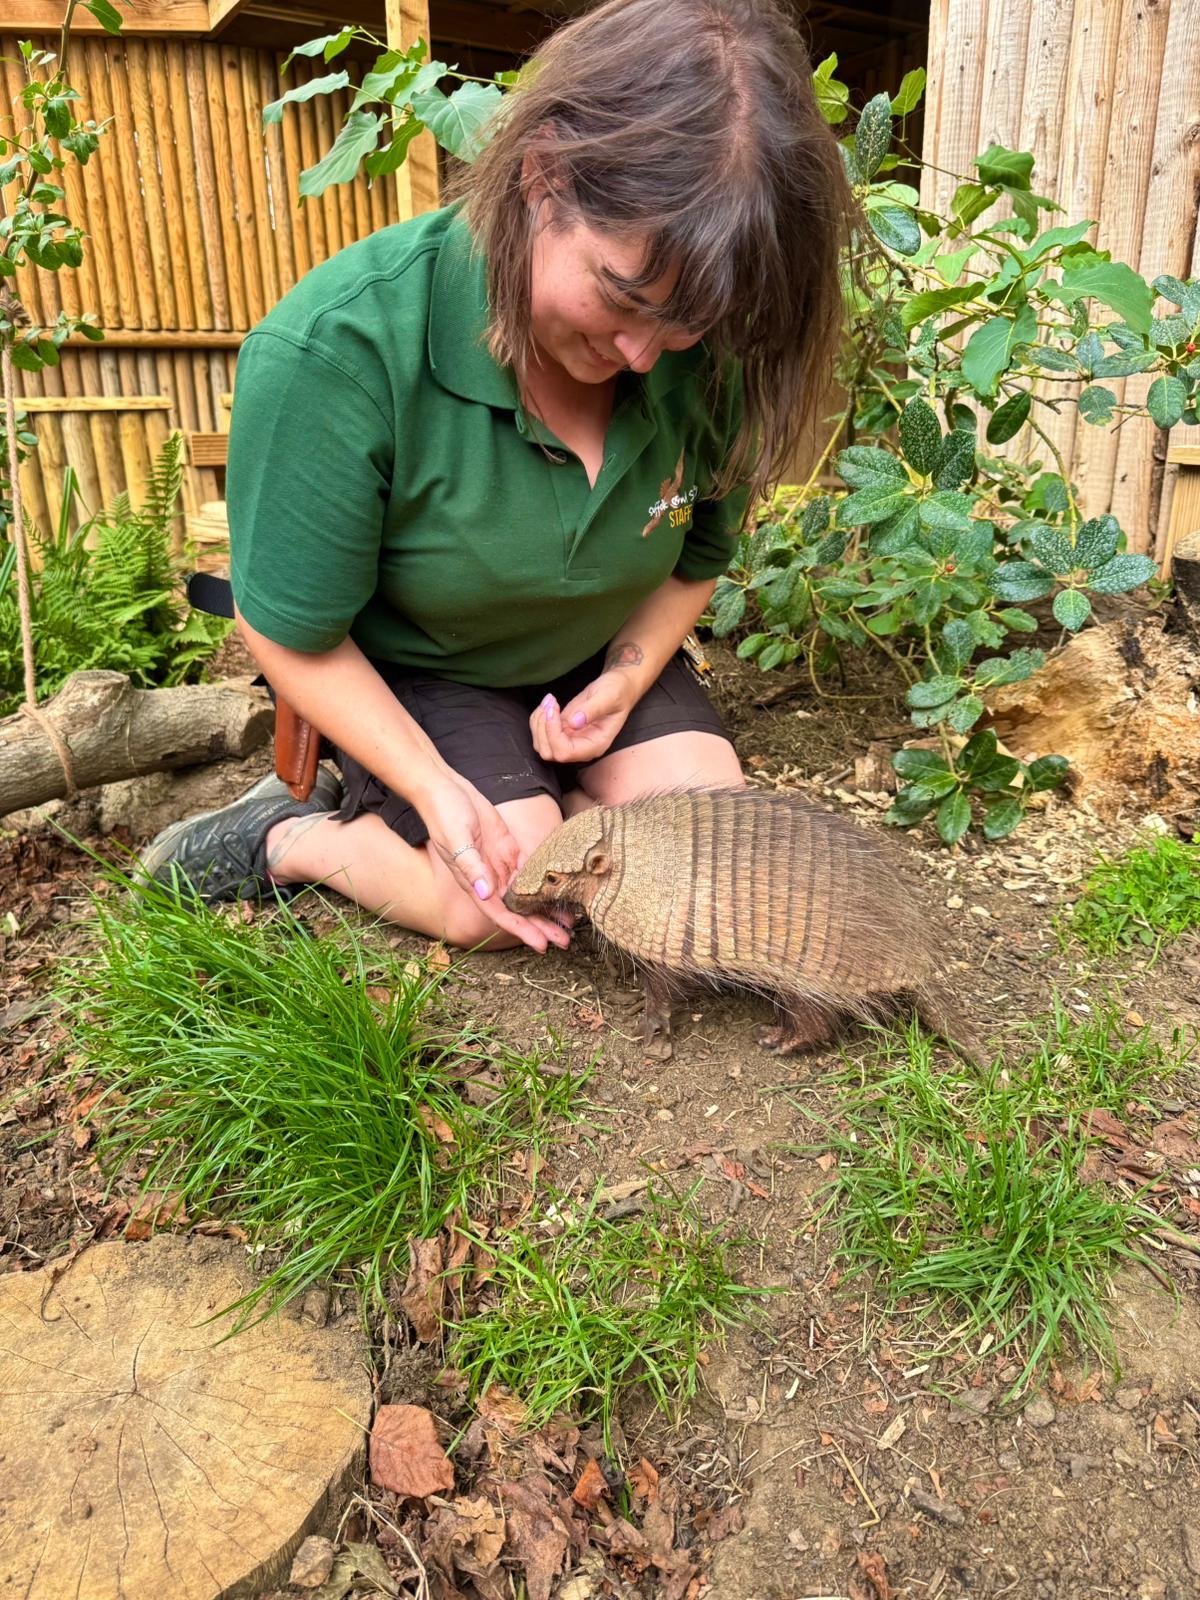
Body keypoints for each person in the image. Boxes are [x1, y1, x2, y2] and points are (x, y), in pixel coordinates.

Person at [140, 0, 853, 954]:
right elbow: (288, 632)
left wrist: (628, 681)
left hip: (593, 656)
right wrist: (434, 788)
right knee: (501, 898)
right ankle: (292, 837)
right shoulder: (337, 348)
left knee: (715, 859)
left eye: (685, 324)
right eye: (621, 295)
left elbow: (695, 563)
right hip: (424, 670)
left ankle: (538, 785)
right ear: (543, 175)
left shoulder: (709, 348)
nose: (647, 355)